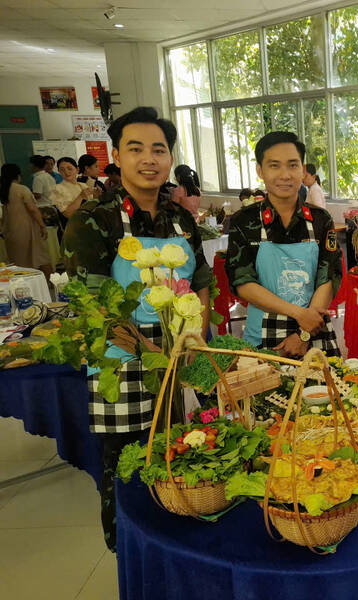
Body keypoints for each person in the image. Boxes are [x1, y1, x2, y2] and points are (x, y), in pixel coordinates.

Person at [63, 106, 213, 553]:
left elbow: (201, 284)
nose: (149, 159)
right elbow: (93, 307)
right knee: (126, 465)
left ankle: (176, 547)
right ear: (116, 155)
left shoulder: (182, 220)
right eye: (136, 149)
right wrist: (151, 350)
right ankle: (129, 554)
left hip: (177, 356)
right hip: (122, 360)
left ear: (169, 158)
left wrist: (191, 335)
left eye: (159, 150)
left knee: (179, 452)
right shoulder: (94, 220)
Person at [225, 131, 342, 357]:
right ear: (260, 170)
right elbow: (243, 282)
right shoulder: (244, 220)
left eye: (292, 165)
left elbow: (327, 276)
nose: (285, 175)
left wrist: (303, 333)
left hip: (313, 333)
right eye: (274, 166)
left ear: (303, 169)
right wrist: (299, 315)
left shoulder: (320, 220)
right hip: (262, 336)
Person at [0, 163, 51, 276]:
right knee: (41, 257)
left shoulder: (4, 190)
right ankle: (49, 284)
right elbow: (32, 210)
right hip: (27, 230)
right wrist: (42, 225)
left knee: (18, 261)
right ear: (18, 175)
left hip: (10, 232)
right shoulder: (22, 189)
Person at [52, 157, 94, 222]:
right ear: (59, 172)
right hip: (72, 226)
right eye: (62, 170)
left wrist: (97, 196)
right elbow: (68, 214)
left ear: (77, 169)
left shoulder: (83, 185)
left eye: (69, 169)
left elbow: (92, 207)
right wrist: (81, 196)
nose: (66, 172)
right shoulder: (57, 189)